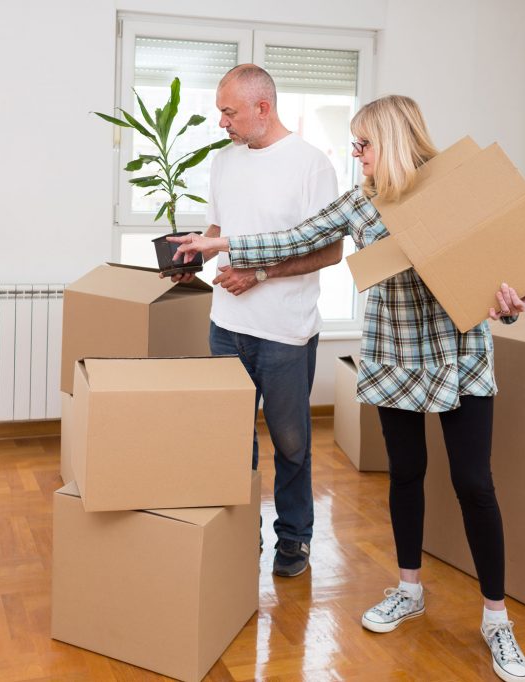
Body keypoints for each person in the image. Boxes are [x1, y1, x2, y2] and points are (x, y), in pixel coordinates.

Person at [169, 94, 525, 682]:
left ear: (391, 141)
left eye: (363, 144)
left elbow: (503, 288)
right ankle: (409, 589)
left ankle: (497, 619)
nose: (356, 153)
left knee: (474, 483)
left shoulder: (454, 196)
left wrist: (511, 306)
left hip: (459, 355)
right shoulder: (362, 204)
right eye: (355, 144)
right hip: (394, 355)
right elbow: (298, 237)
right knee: (406, 475)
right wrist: (223, 244)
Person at [170, 64, 343, 578]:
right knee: (230, 437)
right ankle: (241, 529)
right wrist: (191, 259)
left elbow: (330, 251)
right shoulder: (225, 162)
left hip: (286, 333)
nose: (222, 122)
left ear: (262, 108)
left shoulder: (312, 165)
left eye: (229, 112)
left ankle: (294, 536)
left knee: (291, 444)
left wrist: (259, 272)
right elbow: (223, 229)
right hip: (226, 326)